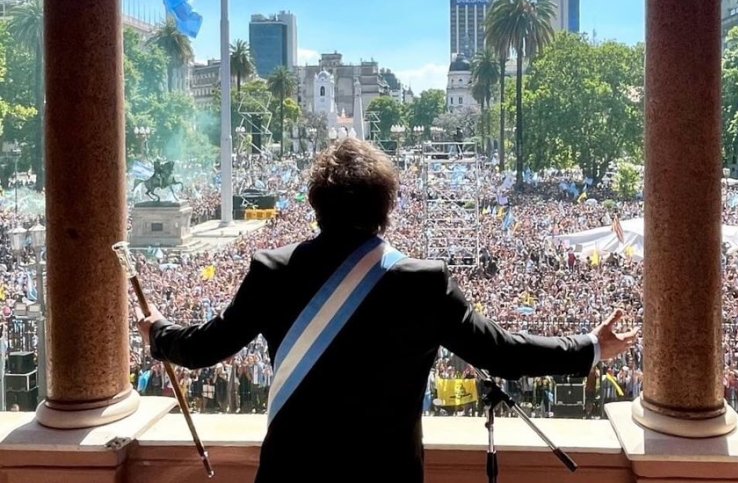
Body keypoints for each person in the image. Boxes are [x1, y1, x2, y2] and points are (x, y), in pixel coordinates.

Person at [136, 139, 639, 483]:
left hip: (293, 471)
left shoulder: (273, 271)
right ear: (387, 208)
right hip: (385, 474)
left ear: (314, 203)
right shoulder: (423, 283)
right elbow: (503, 353)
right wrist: (591, 348)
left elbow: (206, 348)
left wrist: (159, 332)